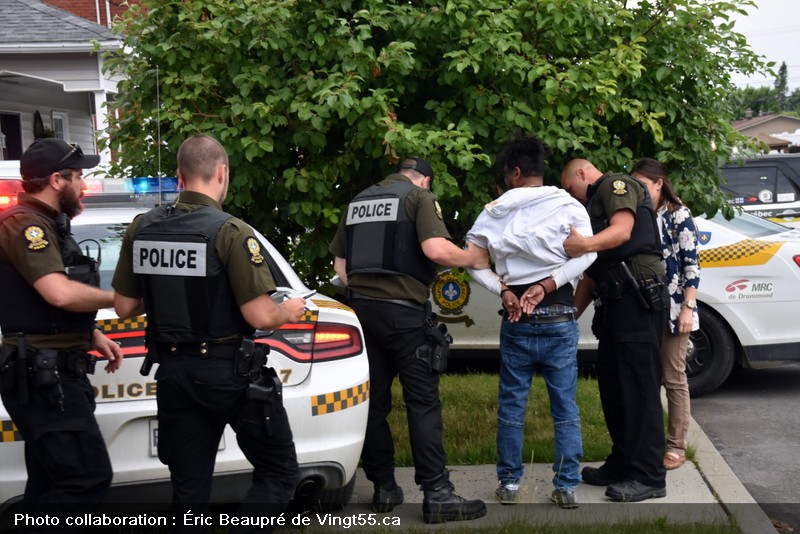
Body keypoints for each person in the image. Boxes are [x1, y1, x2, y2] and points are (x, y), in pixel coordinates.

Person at [112, 135, 305, 532]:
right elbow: (260, 314)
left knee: (189, 490)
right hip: (229, 375)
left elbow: (125, 306)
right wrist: (290, 308)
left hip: (174, 375)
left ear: (179, 177)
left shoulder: (142, 227)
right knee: (278, 470)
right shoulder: (230, 231)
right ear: (222, 173)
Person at [329, 157, 489, 524]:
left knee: (374, 403)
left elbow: (341, 266)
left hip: (362, 314)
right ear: (426, 181)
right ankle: (438, 493)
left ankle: (385, 488)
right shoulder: (417, 198)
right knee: (422, 402)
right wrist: (472, 258)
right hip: (404, 317)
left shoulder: (358, 201)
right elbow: (436, 250)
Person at [465, 134, 597, 508]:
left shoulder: (494, 211)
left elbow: (474, 262)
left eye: (507, 175)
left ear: (516, 172)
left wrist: (503, 291)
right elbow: (586, 256)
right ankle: (567, 486)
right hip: (559, 314)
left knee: (511, 405)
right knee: (565, 407)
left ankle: (509, 484)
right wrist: (550, 283)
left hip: (516, 318)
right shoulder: (568, 205)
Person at [0, 138, 124, 521]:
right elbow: (58, 293)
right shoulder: (25, 225)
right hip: (44, 376)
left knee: (51, 481)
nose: (83, 185)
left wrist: (89, 334)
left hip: (51, 369)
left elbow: (36, 301)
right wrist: (122, 301)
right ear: (57, 179)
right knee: (85, 478)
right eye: (79, 177)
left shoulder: (48, 224)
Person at [560, 158, 668, 502]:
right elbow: (592, 273)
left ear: (581, 173)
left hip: (637, 298)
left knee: (639, 389)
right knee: (614, 387)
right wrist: (568, 317)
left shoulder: (613, 185)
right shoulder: (592, 207)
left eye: (568, 188)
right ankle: (623, 462)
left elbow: (622, 231)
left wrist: (582, 245)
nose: (569, 195)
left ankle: (650, 476)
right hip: (616, 303)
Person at [631, 157, 700, 471]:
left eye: (644, 186)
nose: (641, 192)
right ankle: (650, 443)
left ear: (659, 183)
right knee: (648, 377)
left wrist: (688, 307)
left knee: (674, 379)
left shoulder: (679, 214)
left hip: (675, 309)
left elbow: (691, 265)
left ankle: (676, 446)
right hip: (649, 306)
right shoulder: (643, 214)